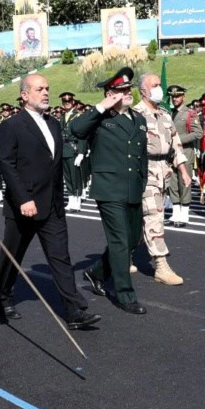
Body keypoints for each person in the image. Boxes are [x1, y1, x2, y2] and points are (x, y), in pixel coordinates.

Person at [0, 74, 102, 328]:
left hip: (52, 204)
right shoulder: (12, 125)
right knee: (13, 256)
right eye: (39, 89)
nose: (45, 93)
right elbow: (7, 164)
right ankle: (2, 296)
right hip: (24, 205)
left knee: (60, 257)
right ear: (24, 95)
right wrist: (23, 198)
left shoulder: (53, 123)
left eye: (47, 88)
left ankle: (75, 310)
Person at [72, 67, 148, 315]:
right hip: (109, 189)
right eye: (121, 90)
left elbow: (141, 157)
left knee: (133, 239)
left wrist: (143, 181)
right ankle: (125, 294)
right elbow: (76, 129)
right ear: (109, 94)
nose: (127, 93)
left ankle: (95, 272)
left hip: (133, 187)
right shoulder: (100, 118)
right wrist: (102, 106)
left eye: (129, 89)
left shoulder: (139, 119)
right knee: (120, 241)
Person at [134, 74, 190, 285]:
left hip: (163, 171)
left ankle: (125, 256)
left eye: (159, 85)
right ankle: (161, 265)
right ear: (143, 91)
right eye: (155, 85)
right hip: (144, 171)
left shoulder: (165, 115)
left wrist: (183, 170)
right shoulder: (135, 115)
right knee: (153, 216)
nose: (159, 89)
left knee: (145, 217)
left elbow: (176, 144)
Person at [168, 85, 203, 227]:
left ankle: (184, 214)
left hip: (185, 152)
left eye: (177, 96)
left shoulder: (190, 113)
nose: (175, 98)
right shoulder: (168, 113)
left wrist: (178, 140)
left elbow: (198, 133)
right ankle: (175, 213)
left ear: (183, 97)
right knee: (173, 183)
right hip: (171, 153)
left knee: (184, 183)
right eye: (173, 96)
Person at [59, 92, 87, 211]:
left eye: (69, 102)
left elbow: (82, 135)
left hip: (74, 149)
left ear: (73, 102)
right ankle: (71, 200)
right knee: (68, 177)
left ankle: (77, 201)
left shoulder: (78, 116)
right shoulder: (62, 116)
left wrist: (81, 152)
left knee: (75, 177)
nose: (67, 104)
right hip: (64, 149)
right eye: (65, 102)